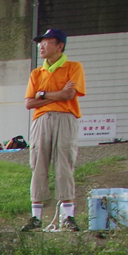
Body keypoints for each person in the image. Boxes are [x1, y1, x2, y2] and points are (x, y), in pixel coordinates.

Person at [21, 28, 86, 232]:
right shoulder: (36, 72)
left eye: (47, 42)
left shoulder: (73, 67)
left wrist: (42, 95)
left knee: (64, 163)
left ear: (60, 46)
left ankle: (68, 216)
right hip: (41, 120)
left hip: (66, 118)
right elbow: (29, 103)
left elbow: (69, 95)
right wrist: (52, 94)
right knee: (38, 164)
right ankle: (36, 217)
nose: (41, 46)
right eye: (41, 43)